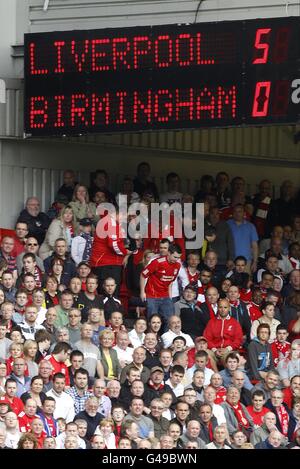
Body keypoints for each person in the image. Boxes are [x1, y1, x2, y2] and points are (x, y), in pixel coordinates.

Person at [140, 244, 182, 332]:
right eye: (175, 257)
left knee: (170, 320)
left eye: (178, 257)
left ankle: (166, 340)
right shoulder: (157, 262)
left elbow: (171, 281)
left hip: (165, 296)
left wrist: (170, 297)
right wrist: (142, 292)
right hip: (152, 295)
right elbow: (143, 275)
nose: (176, 259)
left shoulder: (177, 265)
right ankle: (151, 339)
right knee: (153, 320)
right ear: (169, 253)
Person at [227, 204, 259, 273]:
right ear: (232, 213)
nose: (237, 213)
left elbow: (254, 246)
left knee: (246, 282)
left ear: (244, 213)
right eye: (235, 211)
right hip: (231, 261)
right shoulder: (227, 224)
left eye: (240, 211)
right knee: (229, 282)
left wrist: (255, 262)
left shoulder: (250, 226)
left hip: (246, 262)